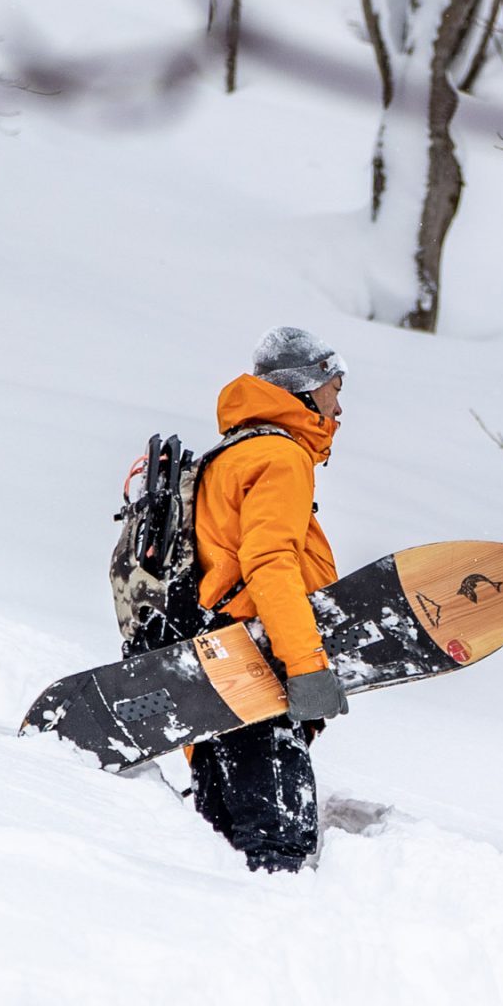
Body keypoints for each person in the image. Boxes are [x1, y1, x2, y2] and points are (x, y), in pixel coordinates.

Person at [187, 326, 353, 871]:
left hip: (218, 662)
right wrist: (306, 667)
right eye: (333, 387)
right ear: (304, 388)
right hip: (258, 666)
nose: (338, 406)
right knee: (277, 846)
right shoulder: (281, 457)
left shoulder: (233, 452)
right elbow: (269, 563)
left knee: (221, 843)